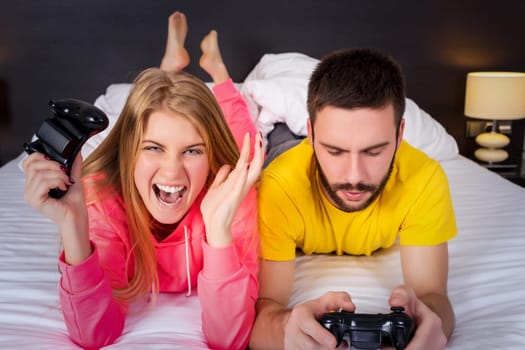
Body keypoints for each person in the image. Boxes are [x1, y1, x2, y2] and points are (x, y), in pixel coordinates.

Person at [22, 11, 263, 350]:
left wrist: (219, 231)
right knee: (159, 103)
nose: (171, 172)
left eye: (193, 151)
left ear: (210, 159)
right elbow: (94, 336)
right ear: (129, 152)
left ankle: (218, 70)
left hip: (221, 177)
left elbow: (229, 340)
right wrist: (75, 229)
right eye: (153, 148)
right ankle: (169, 65)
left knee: (244, 138)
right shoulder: (101, 197)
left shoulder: (230, 193)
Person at [249, 48, 457, 349]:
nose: (354, 176)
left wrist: (430, 321)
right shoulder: (279, 185)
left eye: (374, 151)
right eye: (335, 151)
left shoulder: (424, 178)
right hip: (287, 154)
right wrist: (285, 326)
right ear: (310, 133)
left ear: (400, 135)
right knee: (261, 133)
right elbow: (265, 308)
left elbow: (435, 297)